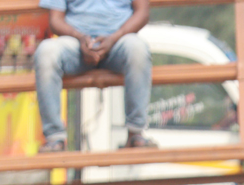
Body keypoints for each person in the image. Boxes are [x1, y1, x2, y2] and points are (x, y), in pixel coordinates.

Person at [34, 0, 156, 151]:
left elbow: (142, 13)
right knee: (45, 52)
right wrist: (80, 37)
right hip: (75, 42)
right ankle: (54, 138)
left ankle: (135, 133)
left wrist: (114, 38)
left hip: (119, 40)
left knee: (138, 49)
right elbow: (55, 20)